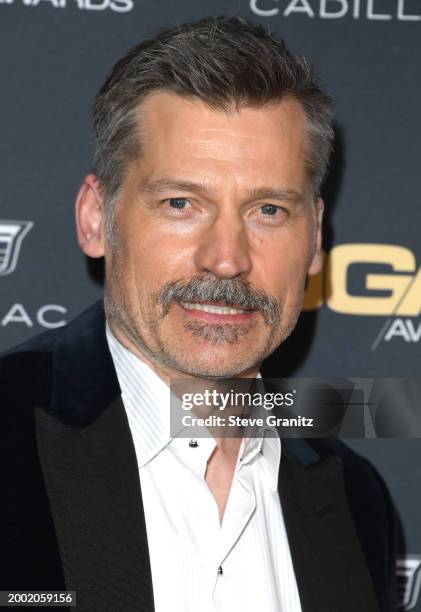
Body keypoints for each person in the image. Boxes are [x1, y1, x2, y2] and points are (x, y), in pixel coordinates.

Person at [0, 16, 396, 612]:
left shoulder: (354, 498)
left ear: (315, 238)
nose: (227, 258)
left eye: (268, 210)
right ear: (94, 218)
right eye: (181, 203)